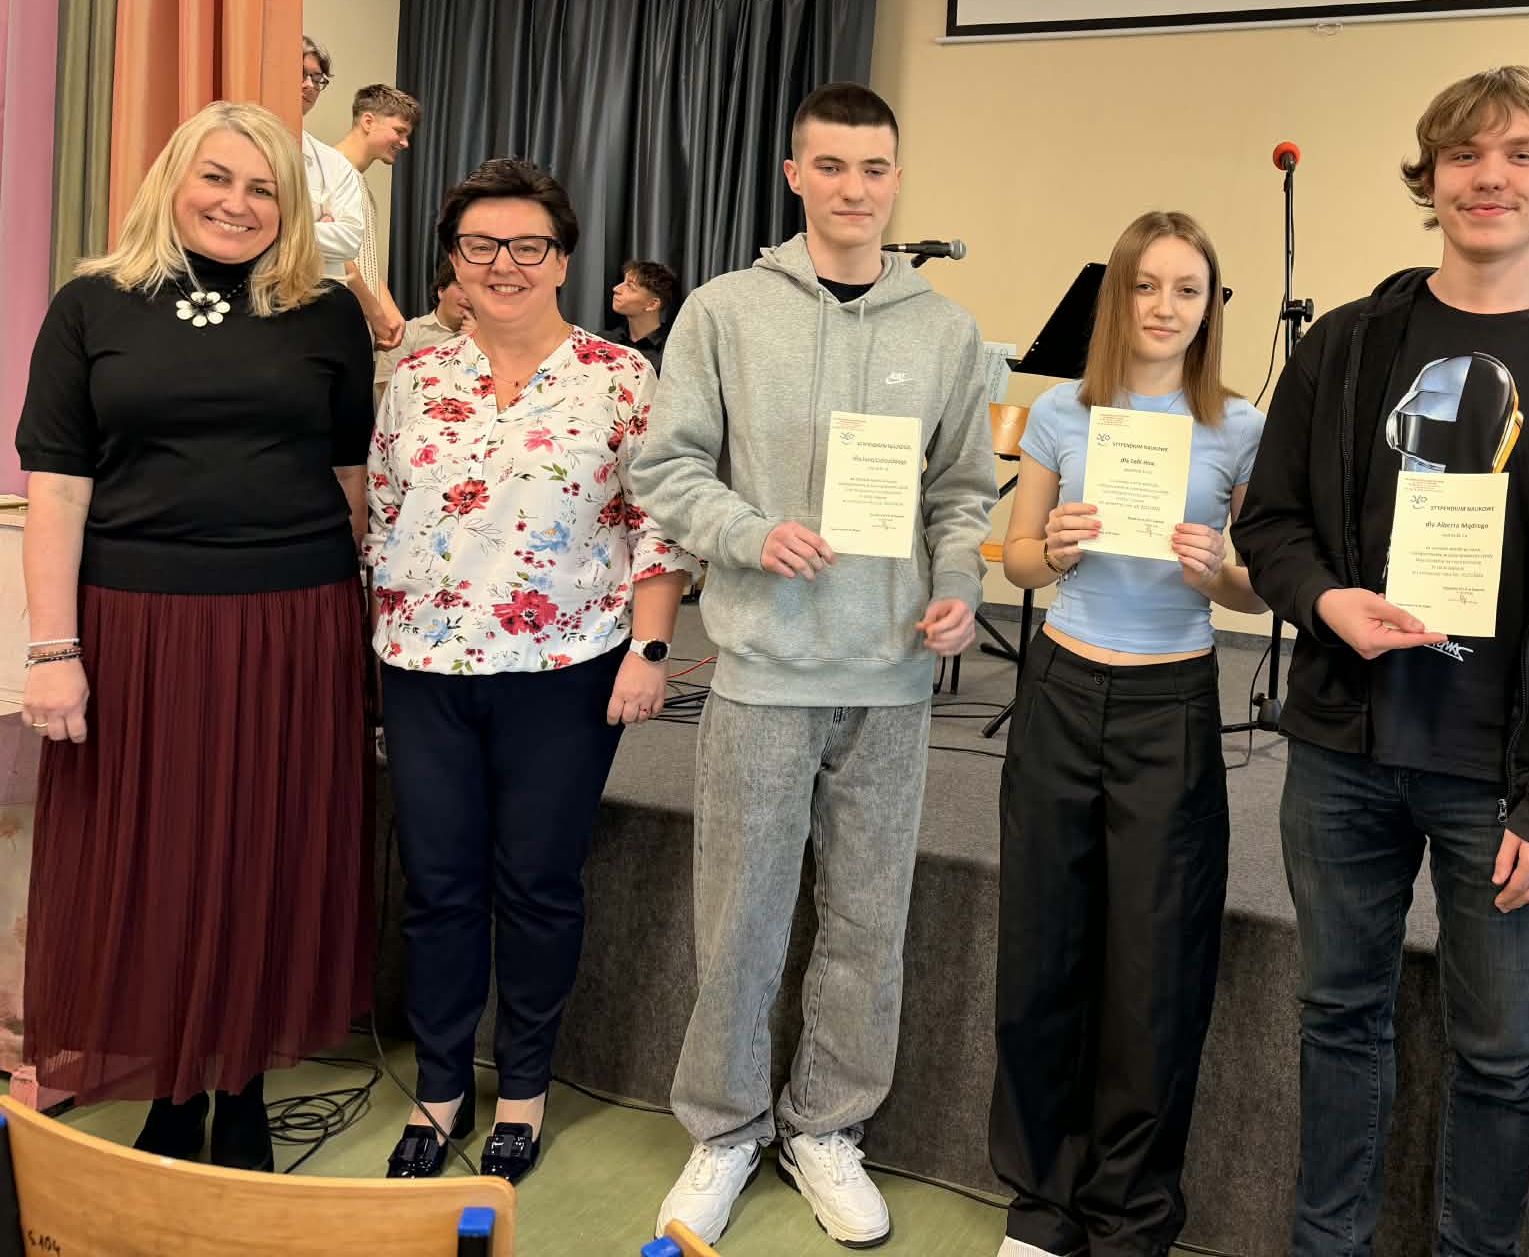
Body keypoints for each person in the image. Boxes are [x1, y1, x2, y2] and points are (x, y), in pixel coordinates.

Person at [1231, 65, 1529, 1256]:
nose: (1490, 177)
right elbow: (1268, 523)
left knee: (1499, 1054)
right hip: (1345, 752)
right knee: (1336, 1018)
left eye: (1521, 154)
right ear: (1428, 178)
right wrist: (1326, 601)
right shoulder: (1347, 344)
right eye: (1464, 155)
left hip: (1506, 776)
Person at [640, 82, 995, 1247]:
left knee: (865, 920)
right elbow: (665, 467)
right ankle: (724, 1128)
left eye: (874, 167)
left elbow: (960, 490)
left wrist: (958, 585)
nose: (854, 188)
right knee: (738, 917)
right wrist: (748, 534)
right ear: (794, 174)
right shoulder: (724, 312)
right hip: (761, 672)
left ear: (897, 178)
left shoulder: (944, 331)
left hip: (888, 680)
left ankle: (828, 1127)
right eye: (831, 166)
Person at [14, 99, 374, 1172]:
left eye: (263, 187)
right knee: (150, 857)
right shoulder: (91, 304)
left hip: (294, 621)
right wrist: (52, 650)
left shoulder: (326, 313)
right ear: (172, 179)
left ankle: (243, 1083)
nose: (237, 203)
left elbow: (352, 481)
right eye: (217, 177)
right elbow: (57, 489)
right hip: (136, 628)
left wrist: (359, 634)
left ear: (291, 204)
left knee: (266, 851)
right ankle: (169, 1087)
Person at [364, 157, 692, 1186]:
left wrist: (648, 651)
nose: (502, 264)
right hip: (423, 669)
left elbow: (655, 526)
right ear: (453, 261)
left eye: (527, 245)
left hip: (565, 668)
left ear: (561, 259)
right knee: (439, 887)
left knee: (539, 885)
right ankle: (439, 1087)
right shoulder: (417, 378)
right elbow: (382, 518)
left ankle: (524, 1089)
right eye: (480, 245)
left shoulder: (619, 378)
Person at [987, 212, 1265, 1257]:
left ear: (1209, 307)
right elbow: (1017, 558)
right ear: (1117, 296)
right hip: (1062, 690)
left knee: (1156, 970)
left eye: (1187, 289)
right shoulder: (1063, 412)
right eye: (1145, 285)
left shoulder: (1239, 426)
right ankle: (1040, 1205)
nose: (1164, 307)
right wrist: (1053, 548)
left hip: (1170, 702)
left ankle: (1132, 1215)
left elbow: (1256, 588)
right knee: (1042, 950)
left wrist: (1218, 571)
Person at [330, 83, 421, 351]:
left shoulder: (359, 185)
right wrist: (376, 314)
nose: (405, 143)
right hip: (332, 324)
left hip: (355, 327)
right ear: (368, 121)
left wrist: (387, 308)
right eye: (399, 131)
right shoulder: (329, 173)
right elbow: (334, 257)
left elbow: (361, 259)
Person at [299, 35, 367, 283]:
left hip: (316, 295)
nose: (309, 85)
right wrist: (317, 229)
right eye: (300, 74)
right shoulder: (242, 146)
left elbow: (349, 240)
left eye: (317, 79)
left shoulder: (333, 163)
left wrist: (282, 231)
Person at [373, 254, 473, 408]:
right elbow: (386, 393)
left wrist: (475, 342)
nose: (470, 297)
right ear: (441, 291)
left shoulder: (489, 340)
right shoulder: (405, 333)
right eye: (462, 288)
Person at [609, 260, 680, 372]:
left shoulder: (673, 351)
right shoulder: (605, 340)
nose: (616, 289)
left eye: (630, 286)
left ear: (652, 304)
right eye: (623, 282)